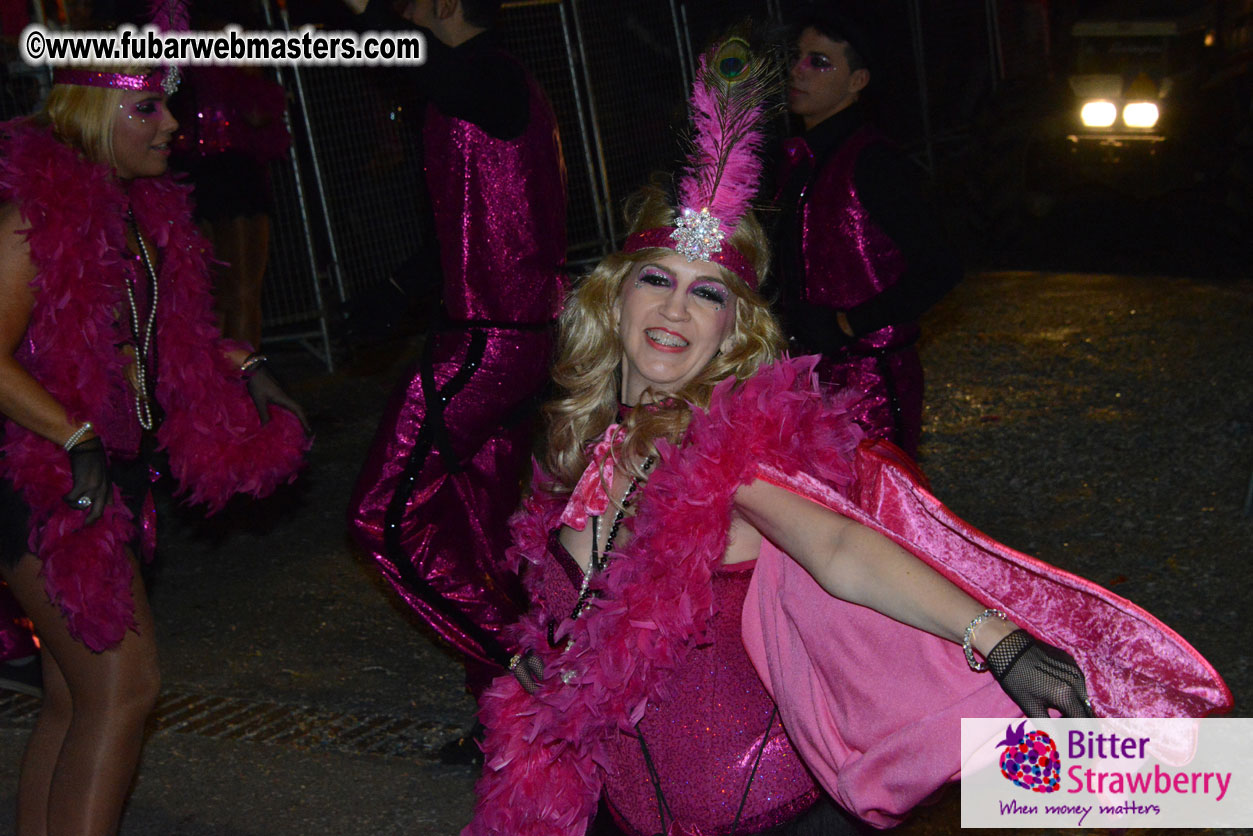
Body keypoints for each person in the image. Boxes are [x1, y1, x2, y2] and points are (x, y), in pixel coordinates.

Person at [462, 36, 1230, 836]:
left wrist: (998, 642)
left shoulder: (723, 446)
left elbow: (836, 547)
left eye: (707, 294)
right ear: (613, 302)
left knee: (1161, 780)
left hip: (766, 813)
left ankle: (1187, 782)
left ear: (730, 333)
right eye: (656, 279)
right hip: (622, 812)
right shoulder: (577, 447)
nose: (674, 309)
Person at [0, 64, 309, 836]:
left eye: (168, 103)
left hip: (109, 469)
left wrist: (245, 366)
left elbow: (152, 339)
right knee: (123, 691)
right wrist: (72, 436)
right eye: (147, 106)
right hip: (37, 479)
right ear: (93, 112)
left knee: (76, 695)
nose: (172, 123)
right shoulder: (28, 221)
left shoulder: (138, 213)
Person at [345, 0, 567, 718]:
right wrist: (398, 288)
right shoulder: (482, 85)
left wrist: (367, 12)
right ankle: (509, 717)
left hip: (487, 347)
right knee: (482, 531)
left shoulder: (491, 78)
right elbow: (470, 225)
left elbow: (427, 65)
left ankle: (523, 662)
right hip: (502, 341)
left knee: (383, 515)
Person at [773, 4, 962, 459]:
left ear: (857, 81)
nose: (798, 70)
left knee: (873, 507)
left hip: (868, 383)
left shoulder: (875, 161)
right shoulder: (799, 158)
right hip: (800, 372)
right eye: (797, 56)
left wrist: (846, 324)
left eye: (820, 62)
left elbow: (941, 267)